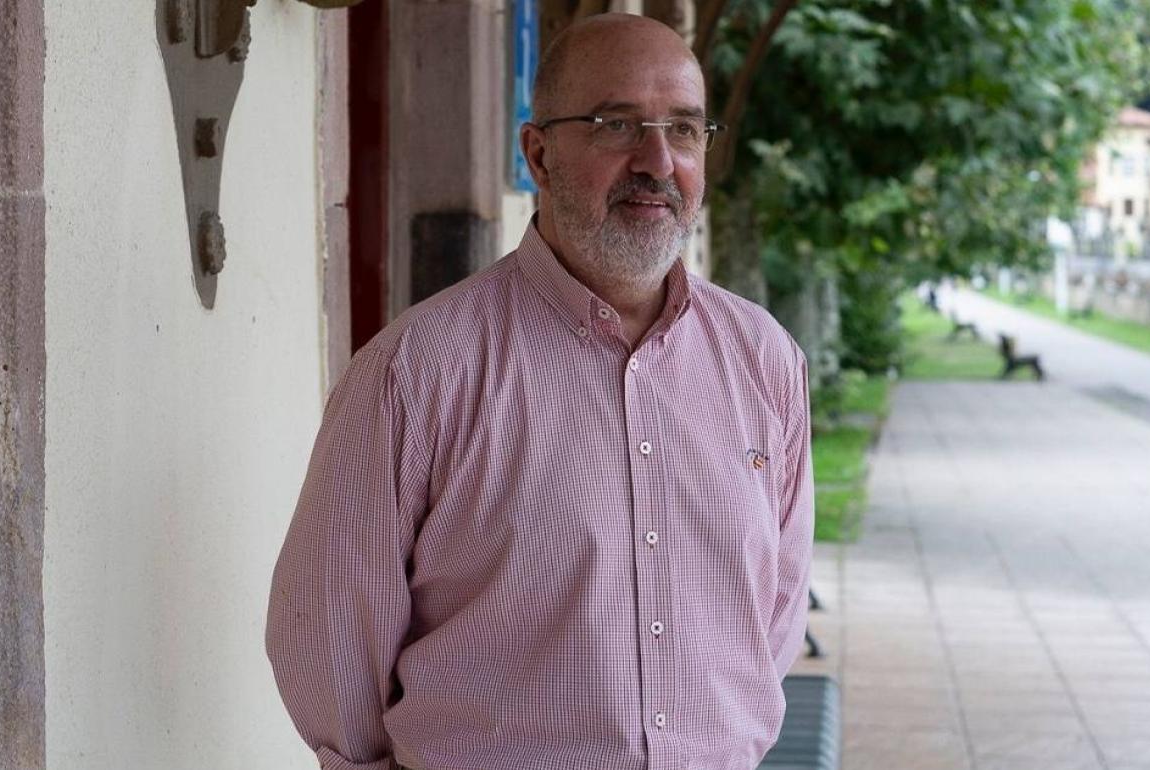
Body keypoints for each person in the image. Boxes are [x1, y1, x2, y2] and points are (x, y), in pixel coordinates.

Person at [266, 13, 813, 770]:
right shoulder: (416, 374)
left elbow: (772, 619)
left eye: (684, 130)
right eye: (617, 125)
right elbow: (330, 649)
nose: (657, 160)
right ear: (539, 155)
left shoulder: (765, 362)